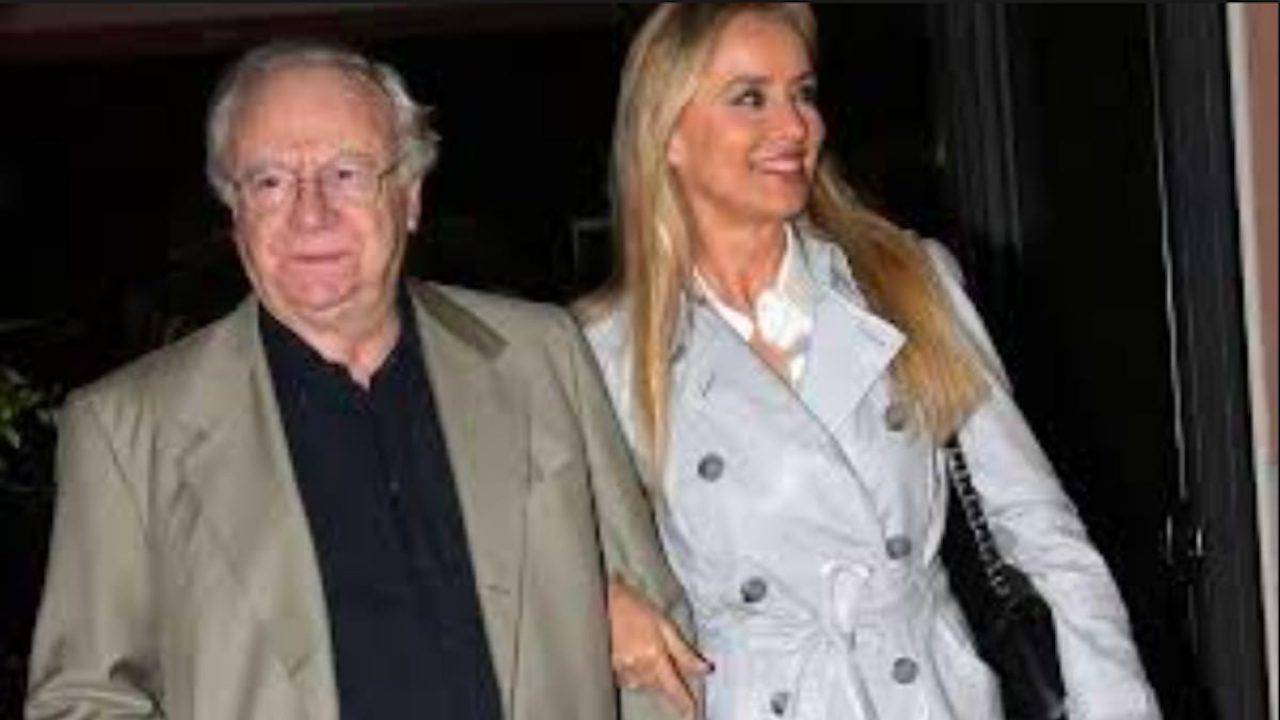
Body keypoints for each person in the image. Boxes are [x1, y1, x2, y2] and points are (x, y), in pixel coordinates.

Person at [26, 41, 687, 720]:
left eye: (346, 174)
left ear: (410, 197)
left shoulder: (540, 354)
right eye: (270, 181)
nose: (310, 214)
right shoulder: (128, 429)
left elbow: (653, 639)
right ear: (235, 211)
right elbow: (84, 700)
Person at [584, 4, 1163, 719]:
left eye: (803, 93)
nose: (796, 126)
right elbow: (538, 558)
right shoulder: (608, 351)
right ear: (667, 133)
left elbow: (1040, 526)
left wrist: (1117, 704)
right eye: (750, 98)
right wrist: (601, 602)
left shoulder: (907, 284)